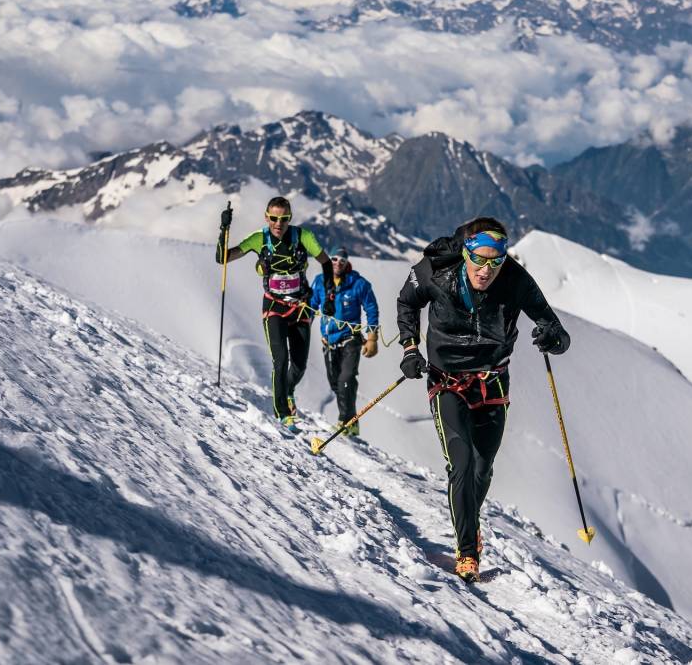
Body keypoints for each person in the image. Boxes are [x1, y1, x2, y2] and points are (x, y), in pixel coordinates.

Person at [396, 216, 571, 582]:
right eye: (479, 259)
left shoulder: (515, 279)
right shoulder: (435, 270)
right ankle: (467, 552)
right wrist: (411, 348)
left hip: (493, 383)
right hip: (446, 382)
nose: (486, 269)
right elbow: (407, 301)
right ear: (465, 253)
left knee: (482, 468)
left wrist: (552, 339)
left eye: (495, 261)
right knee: (460, 464)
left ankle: (469, 522)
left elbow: (557, 331)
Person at [216, 197, 334, 432]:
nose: (278, 223)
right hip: (274, 308)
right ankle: (283, 413)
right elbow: (223, 259)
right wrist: (224, 229)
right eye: (274, 218)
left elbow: (327, 263)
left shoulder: (303, 237)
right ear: (266, 217)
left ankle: (287, 390)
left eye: (283, 219)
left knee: (298, 366)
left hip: (301, 307)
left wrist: (329, 295)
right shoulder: (259, 239)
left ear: (290, 218)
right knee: (280, 360)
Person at [310, 247, 380, 437]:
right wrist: (301, 328)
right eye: (334, 259)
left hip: (351, 339)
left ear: (347, 263)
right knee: (336, 383)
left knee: (346, 379)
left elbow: (371, 310)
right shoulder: (320, 282)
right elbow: (310, 306)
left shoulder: (359, 284)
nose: (337, 263)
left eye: (342, 260)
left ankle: (344, 421)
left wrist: (372, 337)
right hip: (328, 341)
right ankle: (353, 421)